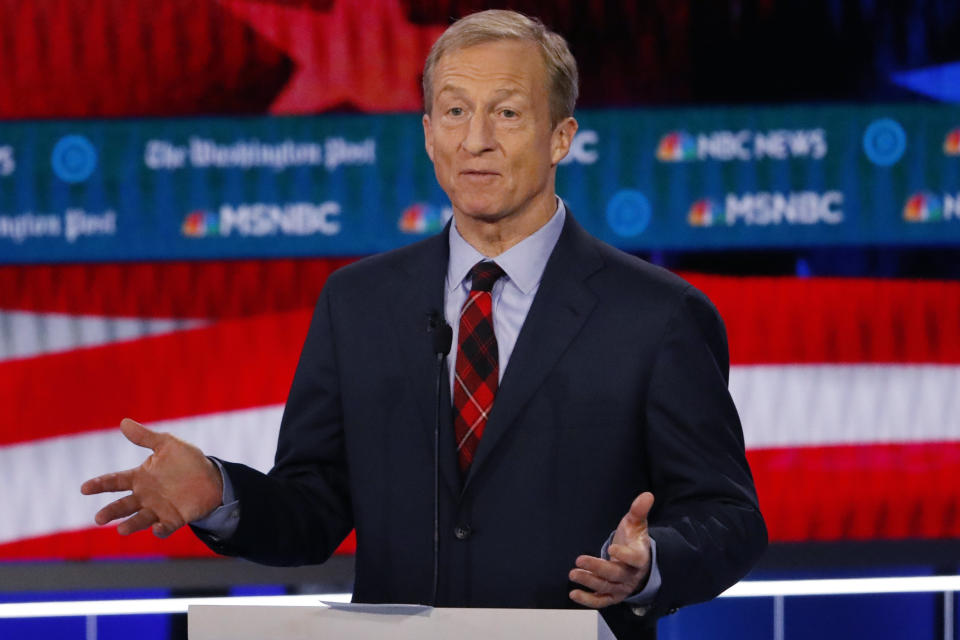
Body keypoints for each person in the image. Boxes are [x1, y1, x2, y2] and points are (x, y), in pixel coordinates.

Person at [81, 10, 766, 639]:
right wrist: (222, 495)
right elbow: (313, 511)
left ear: (561, 136)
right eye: (455, 111)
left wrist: (648, 567)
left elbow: (729, 518)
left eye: (506, 112)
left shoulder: (657, 314)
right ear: (428, 133)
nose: (477, 140)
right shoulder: (358, 302)